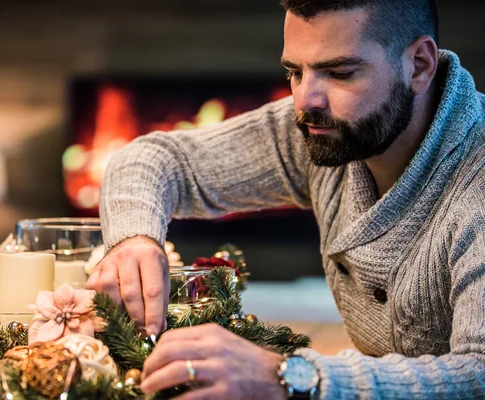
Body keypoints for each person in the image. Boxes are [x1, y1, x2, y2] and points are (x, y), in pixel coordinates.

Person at [86, 0, 485, 398]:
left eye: (340, 73)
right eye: (294, 72)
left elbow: (477, 375)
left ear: (419, 64)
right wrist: (134, 238)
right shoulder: (325, 130)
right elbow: (152, 159)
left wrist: (293, 378)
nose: (306, 100)